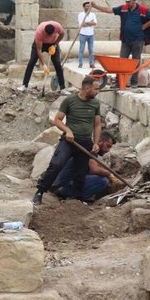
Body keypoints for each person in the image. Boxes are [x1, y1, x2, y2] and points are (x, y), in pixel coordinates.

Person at [32, 76, 101, 205]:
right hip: (69, 141)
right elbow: (57, 120)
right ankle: (40, 191)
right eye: (96, 89)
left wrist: (96, 143)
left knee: (80, 172)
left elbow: (97, 125)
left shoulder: (96, 103)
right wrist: (68, 130)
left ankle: (75, 200)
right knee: (57, 164)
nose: (98, 92)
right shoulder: (69, 101)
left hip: (85, 143)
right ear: (87, 88)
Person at [91, 0, 150, 86]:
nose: (127, 3)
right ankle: (118, 82)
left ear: (134, 1)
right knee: (121, 61)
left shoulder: (143, 10)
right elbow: (109, 10)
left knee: (135, 61)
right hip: (125, 40)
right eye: (126, 1)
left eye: (128, 1)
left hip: (138, 40)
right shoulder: (123, 9)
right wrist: (96, 6)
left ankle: (134, 82)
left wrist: (145, 26)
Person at [52, 131, 116, 201]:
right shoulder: (91, 148)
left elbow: (97, 166)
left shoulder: (90, 147)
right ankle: (76, 199)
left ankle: (75, 196)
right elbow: (94, 169)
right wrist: (109, 174)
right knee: (103, 181)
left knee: (99, 174)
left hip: (62, 184)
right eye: (108, 146)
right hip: (63, 186)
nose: (108, 150)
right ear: (100, 141)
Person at [18, 21, 69, 95]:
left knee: (57, 63)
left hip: (52, 44)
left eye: (50, 35)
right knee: (31, 62)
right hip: (40, 44)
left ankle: (62, 88)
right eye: (46, 35)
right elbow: (39, 50)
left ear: (54, 32)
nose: (48, 37)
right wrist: (44, 65)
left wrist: (55, 45)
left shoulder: (58, 26)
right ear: (44, 31)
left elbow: (62, 34)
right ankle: (24, 85)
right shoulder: (39, 32)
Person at [77, 2, 97, 69]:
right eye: (87, 6)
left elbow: (95, 23)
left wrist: (87, 22)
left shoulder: (93, 14)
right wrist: (90, 23)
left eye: (89, 6)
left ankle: (91, 63)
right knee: (81, 49)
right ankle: (80, 63)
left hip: (91, 34)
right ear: (84, 7)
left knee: (91, 50)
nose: (88, 7)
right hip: (83, 34)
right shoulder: (81, 15)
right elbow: (82, 24)